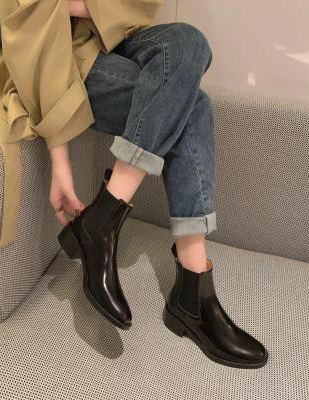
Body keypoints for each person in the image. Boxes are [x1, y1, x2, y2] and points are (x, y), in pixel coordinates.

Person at [53, 1, 268, 369]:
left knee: (190, 41)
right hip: (56, 58)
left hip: (108, 38)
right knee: (192, 104)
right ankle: (192, 293)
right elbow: (27, 21)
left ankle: (101, 218)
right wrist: (58, 160)